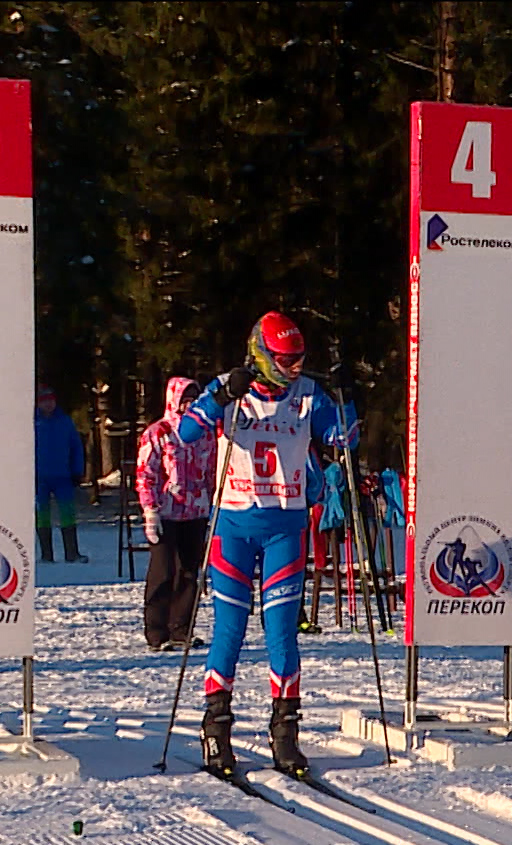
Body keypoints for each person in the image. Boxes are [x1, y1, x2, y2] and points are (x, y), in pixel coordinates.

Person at [174, 312, 356, 778]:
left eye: (300, 358)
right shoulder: (230, 388)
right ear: (261, 355)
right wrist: (219, 397)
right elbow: (186, 433)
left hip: (285, 526)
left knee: (281, 632)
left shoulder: (308, 394)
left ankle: (285, 733)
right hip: (233, 526)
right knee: (229, 629)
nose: (295, 367)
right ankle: (216, 728)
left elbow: (344, 438)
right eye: (285, 360)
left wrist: (346, 397)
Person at [136, 376, 215, 650]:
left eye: (194, 399)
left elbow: (212, 470)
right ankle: (156, 631)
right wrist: (150, 510)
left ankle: (181, 627)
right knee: (163, 571)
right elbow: (145, 474)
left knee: (189, 572)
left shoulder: (205, 433)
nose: (189, 404)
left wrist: (213, 500)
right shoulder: (158, 432)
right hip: (165, 512)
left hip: (196, 511)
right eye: (185, 399)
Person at [34, 384, 91, 564]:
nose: (48, 404)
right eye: (44, 401)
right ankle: (46, 554)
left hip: (63, 476)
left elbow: (76, 447)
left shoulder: (65, 421)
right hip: (38, 478)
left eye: (51, 401)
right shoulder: (32, 423)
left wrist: (77, 471)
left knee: (67, 513)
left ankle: (72, 553)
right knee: (42, 515)